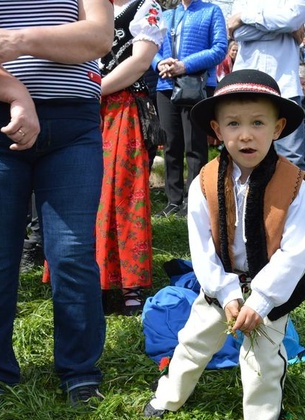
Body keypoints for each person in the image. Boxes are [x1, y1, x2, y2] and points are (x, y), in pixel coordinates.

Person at [0, 0, 114, 420]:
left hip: (74, 123)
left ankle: (80, 369)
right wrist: (17, 94)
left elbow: (97, 37)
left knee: (72, 254)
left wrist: (12, 40)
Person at [143, 69, 305, 420]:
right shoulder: (203, 182)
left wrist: (259, 300)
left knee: (260, 367)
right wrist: (224, 293)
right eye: (234, 124)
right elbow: (200, 247)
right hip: (219, 286)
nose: (245, 135)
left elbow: (297, 252)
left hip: (269, 294)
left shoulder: (296, 187)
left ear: (277, 128)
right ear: (216, 129)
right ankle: (168, 397)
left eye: (258, 123)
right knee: (192, 343)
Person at [97, 0, 166, 315]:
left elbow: (139, 63)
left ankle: (130, 284)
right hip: (87, 109)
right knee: (85, 194)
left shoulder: (145, 6)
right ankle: (90, 279)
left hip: (123, 109)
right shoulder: (91, 4)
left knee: (125, 194)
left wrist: (94, 89)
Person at [152, 0, 227, 217]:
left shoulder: (211, 11)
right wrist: (159, 63)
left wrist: (185, 65)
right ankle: (173, 200)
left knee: (194, 146)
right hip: (166, 85)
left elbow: (220, 48)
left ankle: (193, 202)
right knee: (170, 145)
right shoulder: (165, 15)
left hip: (196, 85)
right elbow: (151, 45)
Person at [228, 0, 305, 169]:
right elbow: (239, 33)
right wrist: (284, 29)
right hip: (247, 86)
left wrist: (244, 17)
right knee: (244, 155)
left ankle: (292, 196)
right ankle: (248, 196)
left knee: (292, 160)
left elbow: (291, 20)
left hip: (286, 86)